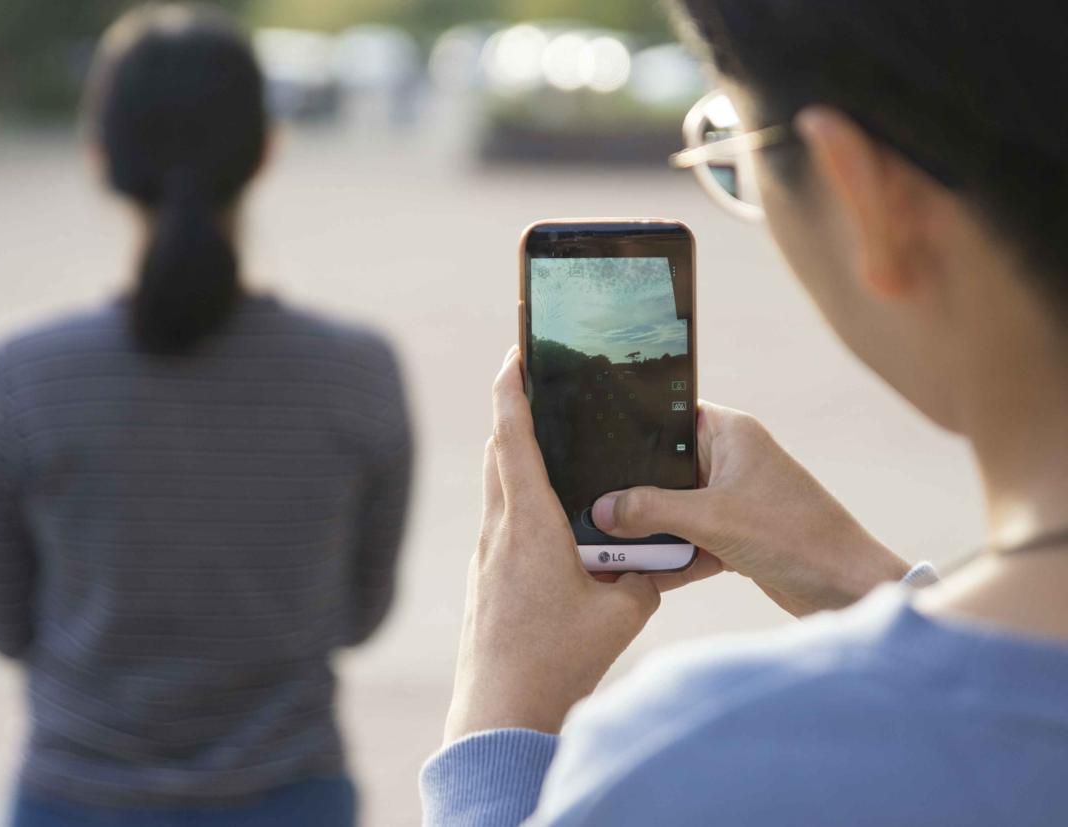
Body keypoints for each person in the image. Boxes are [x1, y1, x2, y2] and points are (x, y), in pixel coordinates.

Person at [422, 2, 1068, 824]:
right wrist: (865, 585)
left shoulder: (698, 757)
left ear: (864, 189)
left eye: (735, 152)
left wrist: (496, 720)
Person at [0, 5, 412, 825]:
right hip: (293, 794)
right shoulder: (357, 372)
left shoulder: (25, 375)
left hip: (75, 796)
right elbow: (361, 616)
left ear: (99, 156)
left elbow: (2, 620)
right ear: (268, 150)